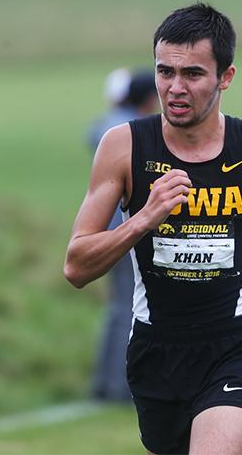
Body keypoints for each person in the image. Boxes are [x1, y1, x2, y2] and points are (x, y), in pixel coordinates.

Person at [64, 2, 242, 455]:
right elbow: (76, 266)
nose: (175, 88)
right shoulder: (122, 147)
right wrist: (145, 217)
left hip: (235, 342)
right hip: (156, 347)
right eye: (165, 72)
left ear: (225, 77)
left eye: (192, 74)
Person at [87, 69, 158, 402]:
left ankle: (103, 382)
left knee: (117, 309)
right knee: (132, 308)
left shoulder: (107, 124)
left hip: (102, 230)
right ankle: (121, 387)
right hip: (126, 233)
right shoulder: (135, 133)